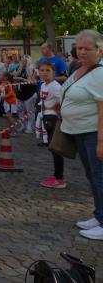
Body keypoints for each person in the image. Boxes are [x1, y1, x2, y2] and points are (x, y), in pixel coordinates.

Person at [58, 30, 103, 240]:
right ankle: (99, 214)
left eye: (88, 49)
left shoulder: (99, 73)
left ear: (99, 51)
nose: (83, 52)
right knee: (92, 175)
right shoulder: (79, 69)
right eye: (80, 48)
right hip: (79, 131)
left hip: (93, 132)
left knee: (99, 176)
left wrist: (101, 141)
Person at [37, 61, 65, 189]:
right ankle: (56, 175)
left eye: (48, 70)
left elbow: (63, 101)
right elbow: (44, 100)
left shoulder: (55, 86)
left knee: (55, 149)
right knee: (51, 147)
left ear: (54, 72)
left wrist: (55, 109)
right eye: (42, 70)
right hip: (46, 118)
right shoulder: (43, 85)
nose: (44, 73)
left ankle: (59, 178)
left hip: (54, 119)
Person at [13, 56, 38, 134]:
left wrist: (22, 79)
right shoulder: (19, 68)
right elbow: (13, 77)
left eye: (25, 61)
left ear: (29, 61)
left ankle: (30, 127)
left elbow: (33, 82)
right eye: (22, 61)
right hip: (20, 94)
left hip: (30, 93)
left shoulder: (33, 70)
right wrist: (17, 78)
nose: (23, 62)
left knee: (29, 111)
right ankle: (23, 125)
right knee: (20, 110)